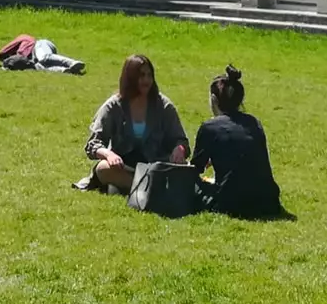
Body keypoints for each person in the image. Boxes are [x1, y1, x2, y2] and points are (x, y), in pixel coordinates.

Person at [78, 54, 188, 193]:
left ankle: (135, 188)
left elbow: (181, 140)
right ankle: (146, 189)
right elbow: (93, 144)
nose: (146, 80)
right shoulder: (113, 106)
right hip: (124, 166)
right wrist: (109, 155)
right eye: (141, 75)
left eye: (149, 75)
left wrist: (179, 149)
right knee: (103, 169)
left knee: (184, 170)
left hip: (156, 165)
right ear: (130, 78)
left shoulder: (164, 105)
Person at [191, 64, 284, 217]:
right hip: (268, 201)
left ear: (213, 99)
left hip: (232, 204)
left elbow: (195, 169)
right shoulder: (255, 123)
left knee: (191, 185)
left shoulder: (209, 127)